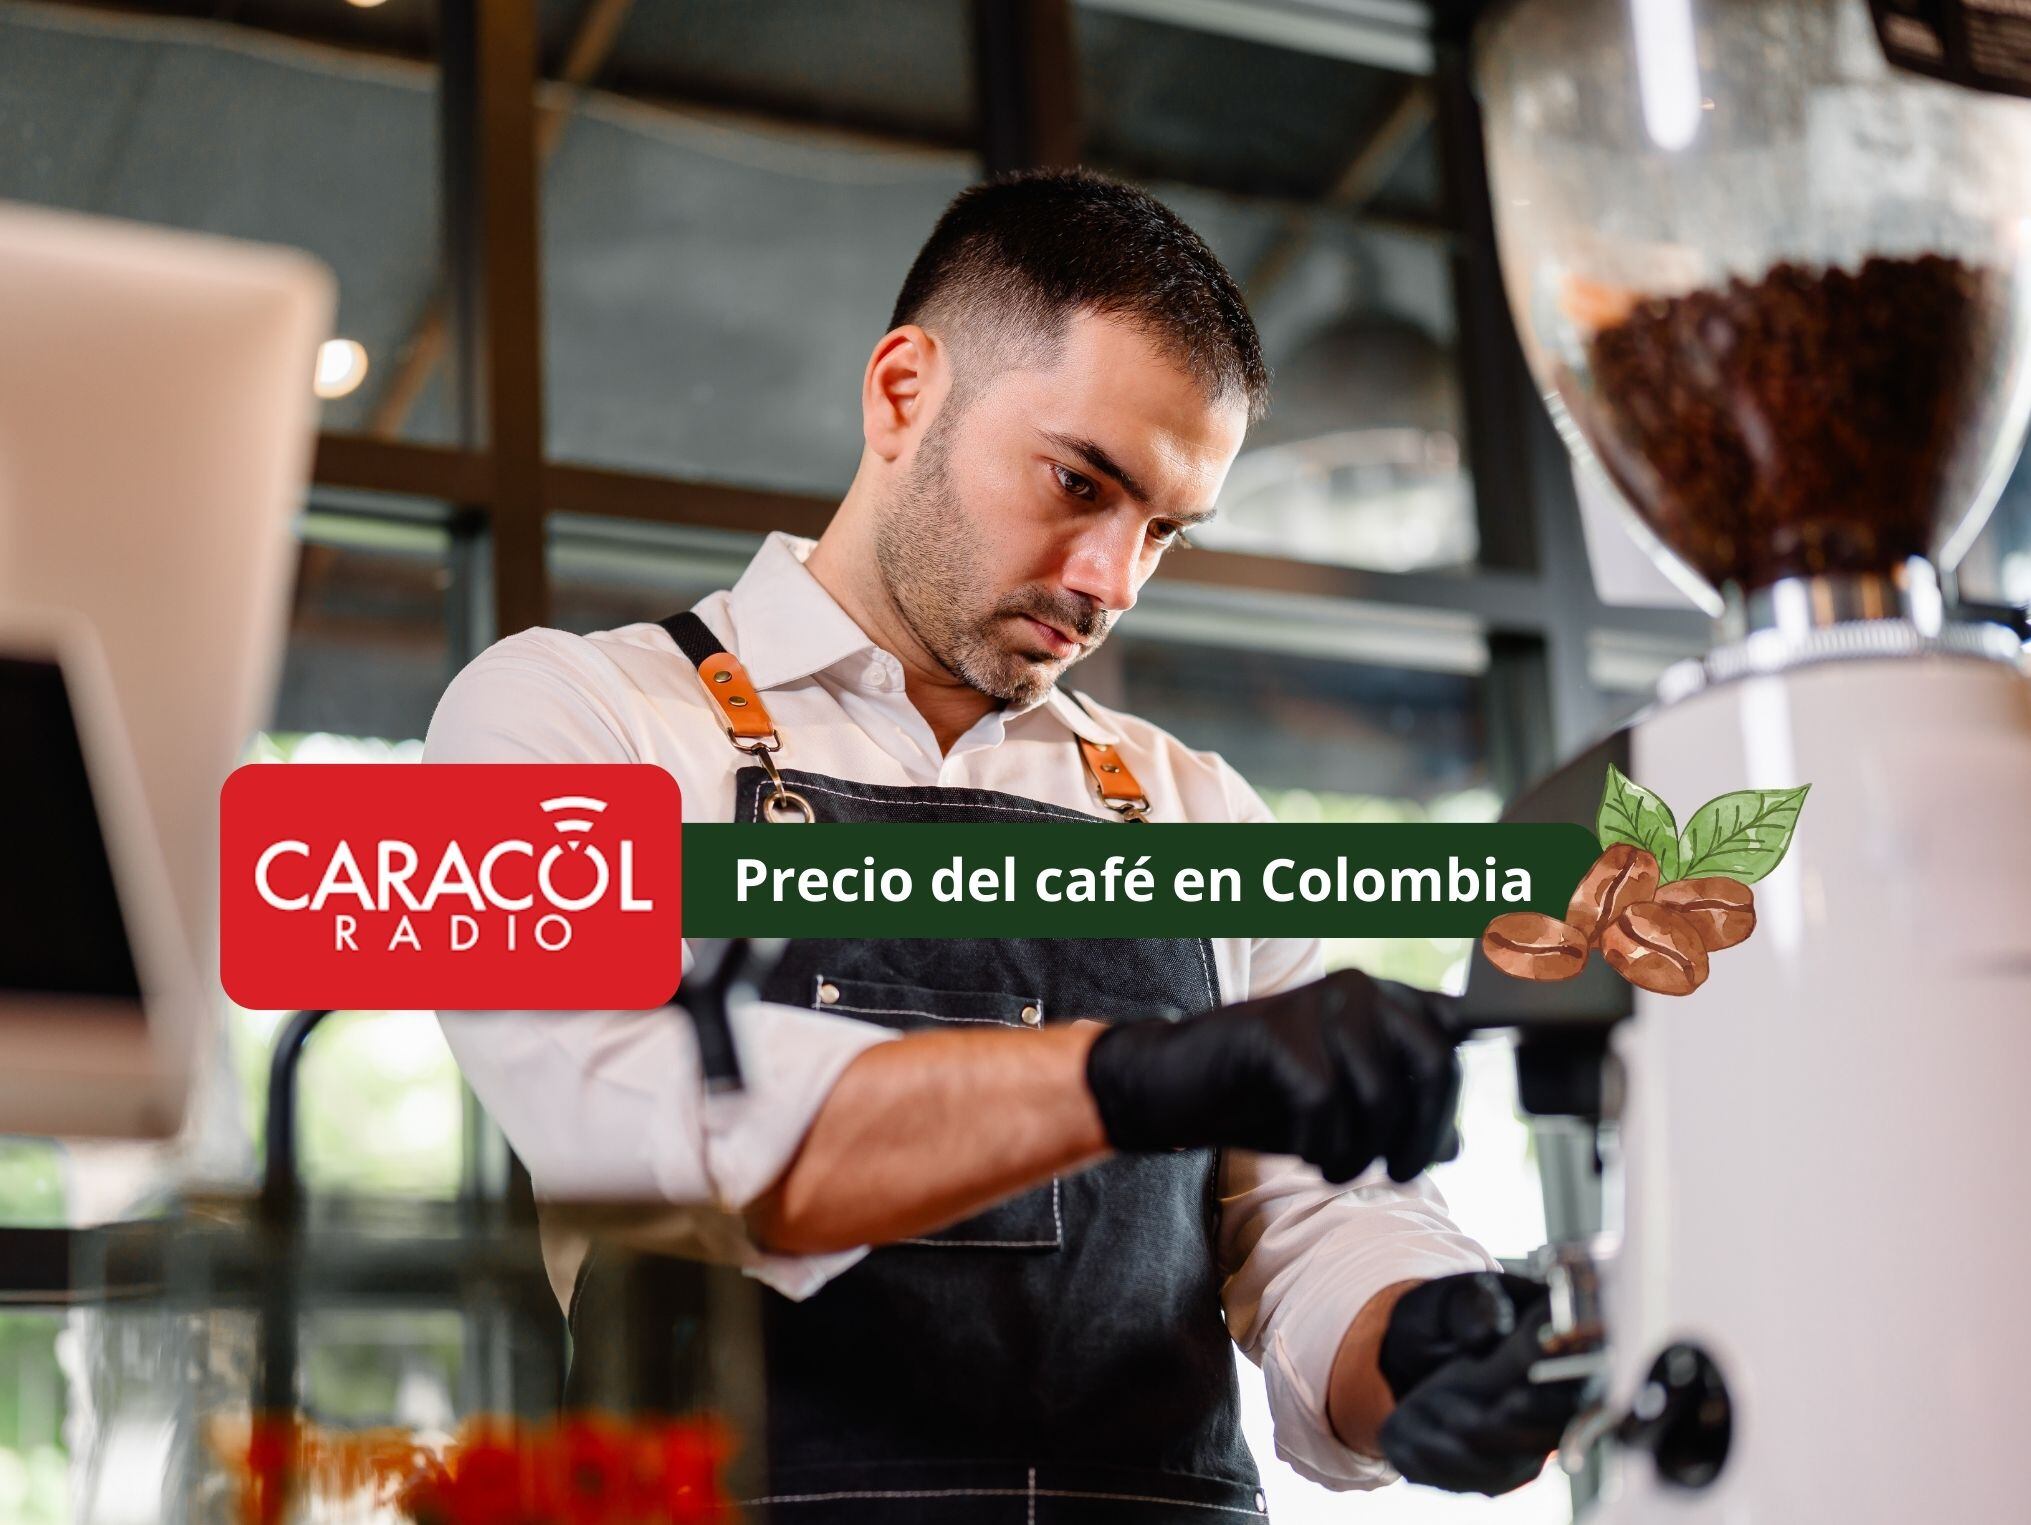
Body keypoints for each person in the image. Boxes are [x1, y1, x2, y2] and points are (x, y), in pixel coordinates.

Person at [427, 169, 1583, 1519]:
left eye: (1162, 528)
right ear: (903, 392)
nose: (1113, 578)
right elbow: (657, 1123)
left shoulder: (1199, 809)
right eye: (1079, 481)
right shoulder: (570, 717)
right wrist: (1143, 1073)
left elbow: (1311, 1224)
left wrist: (1421, 1348)